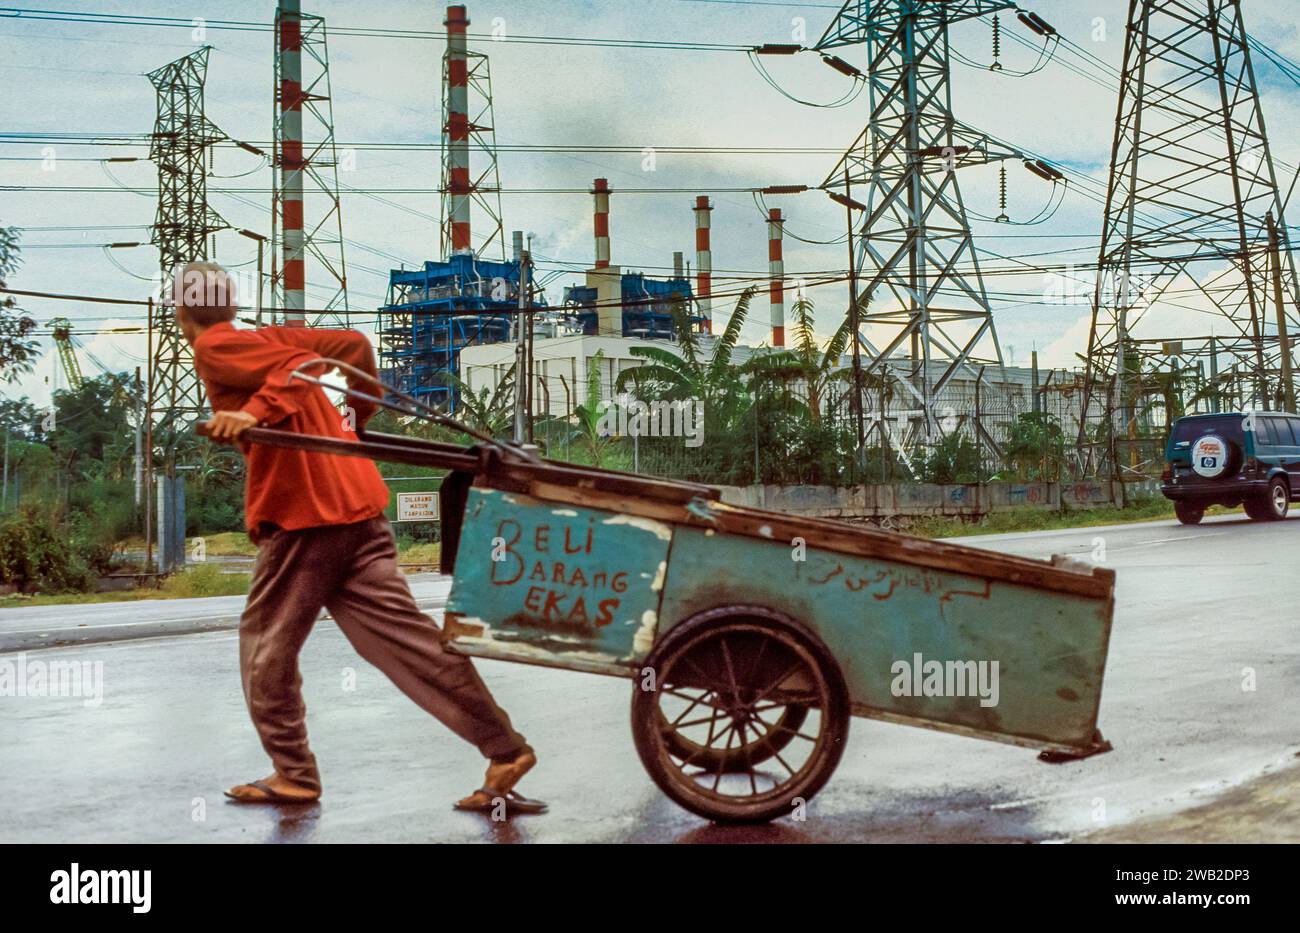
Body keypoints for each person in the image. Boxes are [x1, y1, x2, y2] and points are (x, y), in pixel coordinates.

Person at [172, 261, 544, 814]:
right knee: (406, 642)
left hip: (308, 514)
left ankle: (293, 774)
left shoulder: (216, 348)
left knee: (265, 647)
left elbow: (300, 371)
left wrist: (252, 412)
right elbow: (349, 345)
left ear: (180, 313)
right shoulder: (263, 338)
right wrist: (353, 420)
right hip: (359, 506)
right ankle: (505, 749)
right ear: (231, 303)